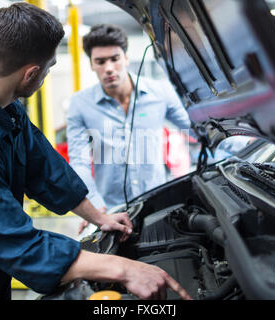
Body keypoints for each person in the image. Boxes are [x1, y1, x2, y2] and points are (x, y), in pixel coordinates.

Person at [0, 3, 191, 300]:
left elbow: (43, 166)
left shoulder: (0, 106)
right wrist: (124, 269)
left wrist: (99, 217)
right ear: (31, 74)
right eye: (49, 67)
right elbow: (16, 243)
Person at [66, 24, 191, 233]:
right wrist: (94, 205)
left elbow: (196, 127)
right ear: (91, 64)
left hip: (158, 204)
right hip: (112, 209)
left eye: (114, 59)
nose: (109, 68)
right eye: (100, 61)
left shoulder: (160, 92)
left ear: (126, 58)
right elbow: (79, 161)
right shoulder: (80, 104)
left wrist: (243, 139)